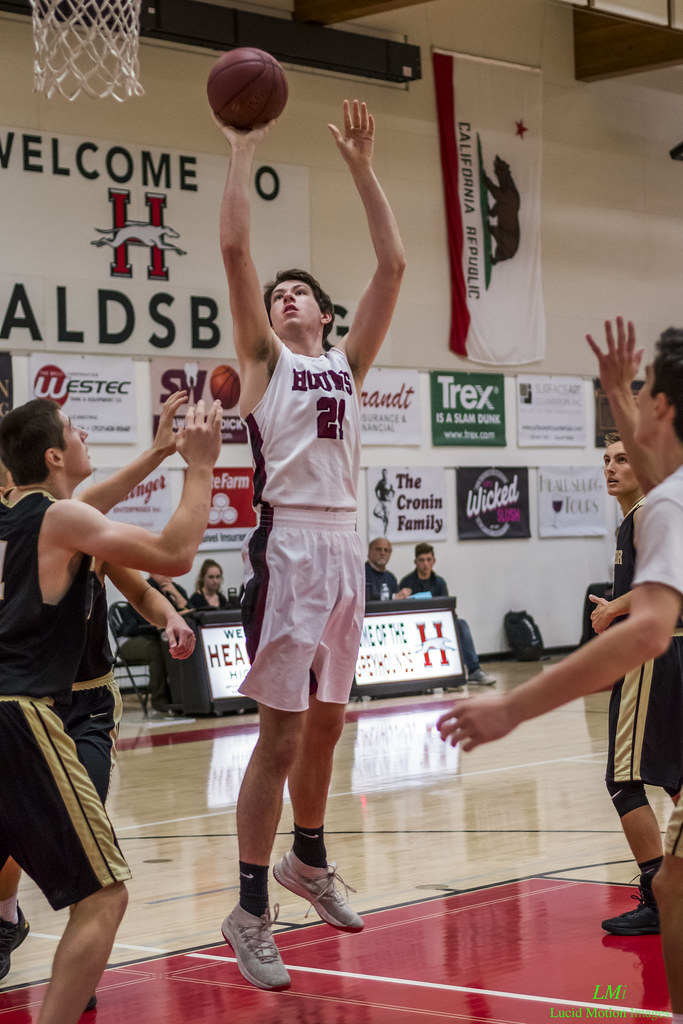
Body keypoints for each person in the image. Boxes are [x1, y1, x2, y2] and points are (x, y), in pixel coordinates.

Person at [436, 320, 683, 1022]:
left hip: (666, 658)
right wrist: (614, 387)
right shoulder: (659, 499)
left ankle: (650, 898)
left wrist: (511, 709)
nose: (615, 460)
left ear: (660, 410)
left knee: (635, 799)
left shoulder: (658, 508)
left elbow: (654, 623)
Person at [215, 98, 405, 991]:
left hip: (345, 546)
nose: (285, 296)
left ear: (325, 314)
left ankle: (308, 861)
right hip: (289, 544)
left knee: (330, 726)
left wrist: (363, 169)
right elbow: (236, 256)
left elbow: (395, 263)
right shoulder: (269, 362)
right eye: (279, 293)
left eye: (301, 292)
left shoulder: (348, 364)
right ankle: (251, 909)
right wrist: (241, 149)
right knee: (281, 736)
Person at [0, 395, 221, 1024]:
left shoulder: (13, 517)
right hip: (23, 714)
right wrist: (198, 465)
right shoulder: (58, 519)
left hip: (76, 704)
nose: (83, 433)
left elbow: (137, 569)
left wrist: (156, 452)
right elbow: (177, 552)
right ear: (53, 456)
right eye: (73, 429)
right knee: (104, 895)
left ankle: (63, 959)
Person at [589, 433, 683, 936]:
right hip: (671, 652)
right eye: (606, 460)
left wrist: (613, 609)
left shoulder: (648, 513)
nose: (611, 468)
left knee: (623, 779)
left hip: (655, 653)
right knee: (673, 776)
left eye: (622, 459)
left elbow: (669, 579)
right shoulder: (639, 516)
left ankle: (658, 894)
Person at [398, 542, 496, 685]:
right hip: (416, 625)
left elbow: (447, 608)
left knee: (461, 625)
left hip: (438, 623)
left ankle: (474, 670)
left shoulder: (439, 582)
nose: (425, 564)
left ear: (434, 561)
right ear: (415, 562)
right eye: (421, 560)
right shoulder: (406, 582)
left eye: (428, 560)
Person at [115, 574, 192, 714]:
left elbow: (192, 614)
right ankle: (159, 700)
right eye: (163, 569)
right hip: (130, 639)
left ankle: (183, 697)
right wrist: (158, 625)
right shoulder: (144, 587)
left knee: (181, 646)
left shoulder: (176, 589)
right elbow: (134, 626)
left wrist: (176, 594)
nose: (167, 574)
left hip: (157, 638)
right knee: (157, 650)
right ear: (152, 571)